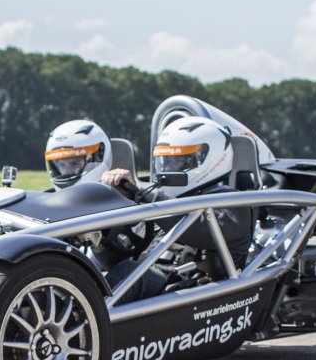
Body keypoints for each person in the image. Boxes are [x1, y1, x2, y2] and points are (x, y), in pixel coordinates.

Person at [98, 114, 253, 296]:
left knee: (128, 272)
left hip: (195, 297)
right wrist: (99, 238)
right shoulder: (166, 201)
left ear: (208, 158)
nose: (167, 168)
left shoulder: (233, 204)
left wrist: (142, 194)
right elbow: (121, 257)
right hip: (159, 294)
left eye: (177, 161)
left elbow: (198, 229)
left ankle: (86, 315)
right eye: (165, 160)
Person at [42, 120, 113, 190]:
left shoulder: (116, 194)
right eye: (62, 165)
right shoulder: (51, 196)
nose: (67, 171)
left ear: (98, 157)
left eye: (75, 163)